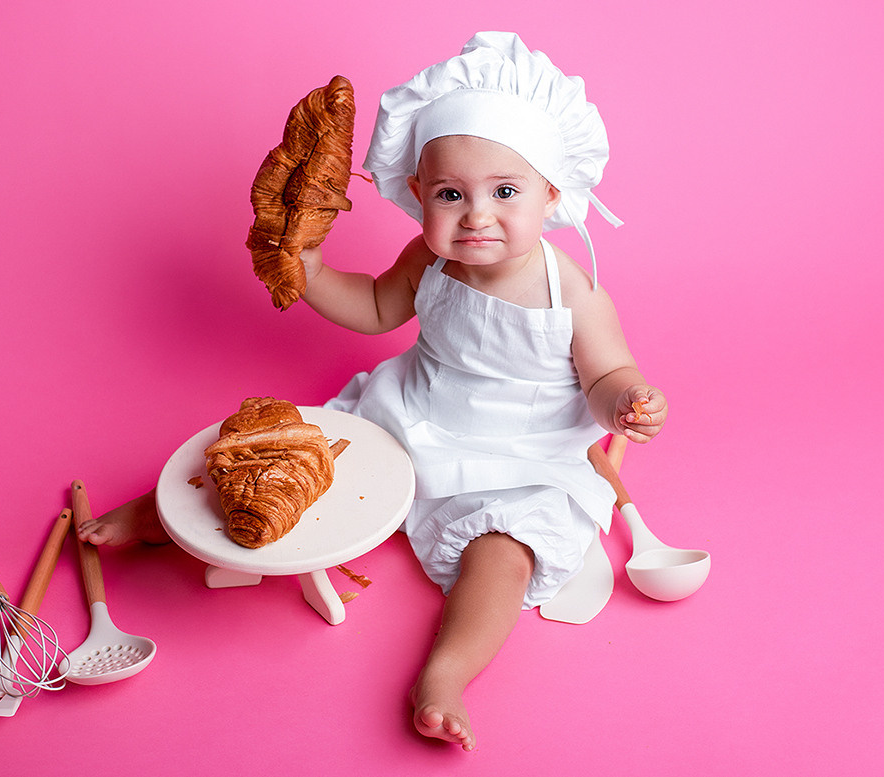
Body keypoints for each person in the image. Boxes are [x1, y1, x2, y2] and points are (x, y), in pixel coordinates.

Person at [80, 32, 667, 753]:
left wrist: (625, 401)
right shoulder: (429, 258)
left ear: (552, 193)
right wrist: (313, 271)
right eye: (451, 194)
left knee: (506, 552)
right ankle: (164, 512)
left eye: (505, 192)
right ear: (418, 195)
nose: (476, 215)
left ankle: (445, 674)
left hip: (521, 450)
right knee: (287, 452)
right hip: (412, 408)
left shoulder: (572, 292)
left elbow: (606, 374)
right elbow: (378, 308)